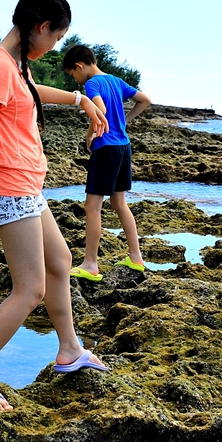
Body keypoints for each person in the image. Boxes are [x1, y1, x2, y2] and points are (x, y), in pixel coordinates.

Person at [0, 0, 111, 411]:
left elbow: (34, 95)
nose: (55, 46)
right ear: (40, 27)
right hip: (9, 189)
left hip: (29, 188)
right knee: (30, 290)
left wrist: (81, 100)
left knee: (60, 263)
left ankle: (70, 350)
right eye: (56, 38)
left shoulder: (17, 64)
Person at [62, 44, 152, 280]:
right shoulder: (116, 81)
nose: (77, 82)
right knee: (120, 203)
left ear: (80, 66)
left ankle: (90, 263)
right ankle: (136, 257)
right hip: (124, 147)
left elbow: (99, 108)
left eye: (74, 76)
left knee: (92, 207)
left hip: (106, 148)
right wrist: (125, 121)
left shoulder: (92, 84)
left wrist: (91, 132)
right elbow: (144, 100)